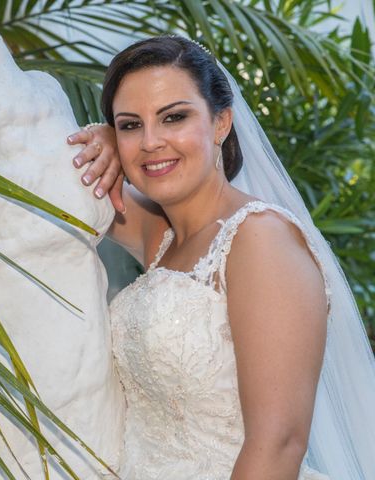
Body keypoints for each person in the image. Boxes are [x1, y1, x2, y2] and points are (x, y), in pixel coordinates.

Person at [66, 35, 375, 479]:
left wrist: (120, 136)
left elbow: (279, 443)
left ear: (221, 123)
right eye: (132, 124)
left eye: (173, 117)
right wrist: (102, 141)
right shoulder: (162, 235)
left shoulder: (260, 239)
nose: (151, 141)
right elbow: (64, 182)